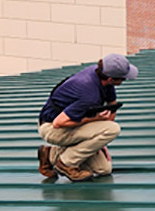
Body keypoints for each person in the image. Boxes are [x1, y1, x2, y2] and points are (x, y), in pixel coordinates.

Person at [39, 53, 137, 181]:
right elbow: (59, 122)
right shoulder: (89, 94)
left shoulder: (101, 77)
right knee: (113, 129)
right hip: (51, 128)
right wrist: (96, 121)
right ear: (110, 78)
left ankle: (49, 154)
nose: (124, 81)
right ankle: (66, 164)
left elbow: (112, 106)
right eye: (123, 79)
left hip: (73, 124)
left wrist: (100, 141)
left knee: (103, 169)